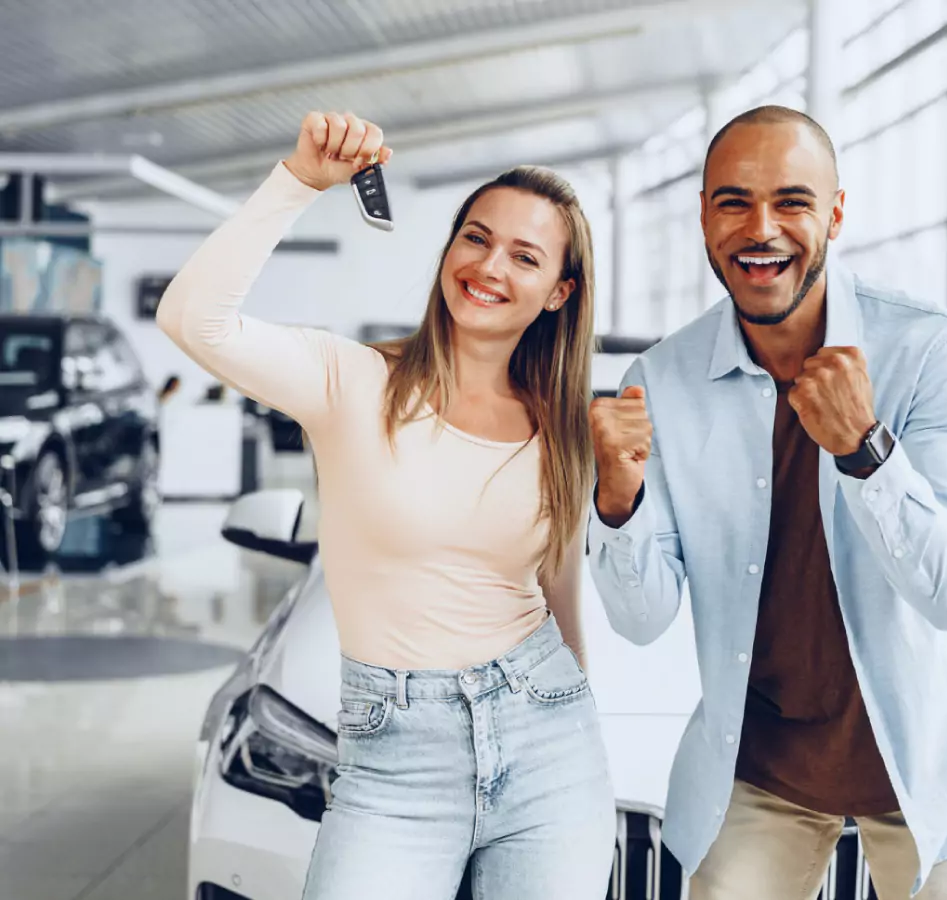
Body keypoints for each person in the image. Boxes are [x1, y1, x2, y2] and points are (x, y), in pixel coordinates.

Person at [158, 110, 614, 900]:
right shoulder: (351, 381)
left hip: (549, 739)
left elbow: (558, 585)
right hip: (393, 758)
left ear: (557, 292)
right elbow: (192, 319)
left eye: (524, 255)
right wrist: (298, 180)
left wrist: (580, 701)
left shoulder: (560, 421)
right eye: (476, 237)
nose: (490, 265)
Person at [587, 105, 947, 900]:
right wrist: (617, 501)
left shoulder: (931, 350)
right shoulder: (662, 380)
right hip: (762, 768)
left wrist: (865, 450)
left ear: (836, 214)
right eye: (733, 202)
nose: (761, 229)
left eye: (791, 201)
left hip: (930, 764)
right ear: (704, 216)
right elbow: (641, 620)